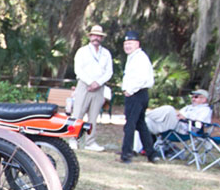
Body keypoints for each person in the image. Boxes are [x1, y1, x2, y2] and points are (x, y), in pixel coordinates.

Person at [70, 24, 113, 151]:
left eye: (99, 36)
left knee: (93, 116)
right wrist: (90, 82)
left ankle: (90, 142)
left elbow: (109, 72)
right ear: (90, 36)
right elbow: (78, 69)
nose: (96, 38)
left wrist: (98, 83)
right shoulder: (82, 51)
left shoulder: (106, 53)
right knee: (78, 113)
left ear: (102, 38)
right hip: (84, 86)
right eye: (94, 35)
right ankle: (73, 139)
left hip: (99, 87)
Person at [133, 89, 212, 153]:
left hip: (184, 129)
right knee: (144, 122)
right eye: (193, 97)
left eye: (196, 97)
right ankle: (135, 150)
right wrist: (179, 115)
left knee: (169, 109)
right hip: (173, 125)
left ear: (204, 99)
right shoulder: (188, 107)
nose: (193, 99)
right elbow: (178, 114)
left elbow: (200, 123)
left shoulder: (205, 110)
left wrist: (185, 118)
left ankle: (141, 114)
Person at [119, 31, 157, 163]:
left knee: (130, 124)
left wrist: (130, 90)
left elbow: (142, 78)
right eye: (126, 43)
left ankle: (126, 154)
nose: (127, 46)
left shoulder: (140, 57)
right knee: (141, 124)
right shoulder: (133, 57)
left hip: (136, 94)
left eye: (130, 43)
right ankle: (151, 153)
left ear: (137, 44)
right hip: (137, 94)